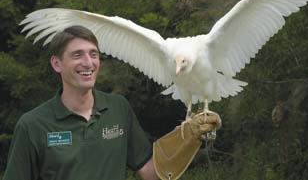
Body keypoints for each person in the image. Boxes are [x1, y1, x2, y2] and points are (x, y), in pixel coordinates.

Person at [3, 26, 221, 180]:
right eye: (77, 55)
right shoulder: (33, 125)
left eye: (94, 54)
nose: (88, 63)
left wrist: (190, 139)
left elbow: (149, 171)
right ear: (56, 63)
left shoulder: (118, 108)